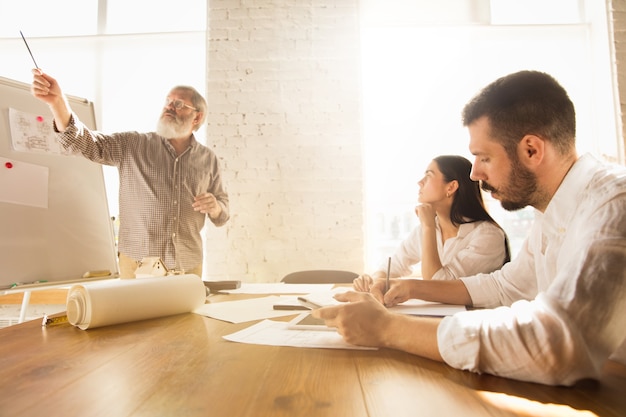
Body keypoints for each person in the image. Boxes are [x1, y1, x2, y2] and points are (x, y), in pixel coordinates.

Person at [313, 70, 626, 386]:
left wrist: (387, 328)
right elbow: (506, 287)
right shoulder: (550, 215)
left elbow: (557, 344)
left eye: (484, 158)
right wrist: (412, 287)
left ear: (531, 149)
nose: (474, 174)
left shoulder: (614, 203)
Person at [30, 69, 230, 278]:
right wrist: (58, 103)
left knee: (189, 313)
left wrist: (216, 207)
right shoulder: (133, 145)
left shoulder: (209, 159)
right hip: (137, 266)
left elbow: (223, 214)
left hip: (188, 266)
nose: (170, 106)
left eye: (179, 104)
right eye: (168, 101)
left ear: (197, 117)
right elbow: (86, 143)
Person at [354, 155, 509, 292]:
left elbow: (436, 286)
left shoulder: (488, 236)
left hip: (470, 320)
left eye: (428, 176)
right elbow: (393, 265)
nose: (420, 182)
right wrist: (373, 281)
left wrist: (428, 226)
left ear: (451, 187)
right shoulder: (428, 228)